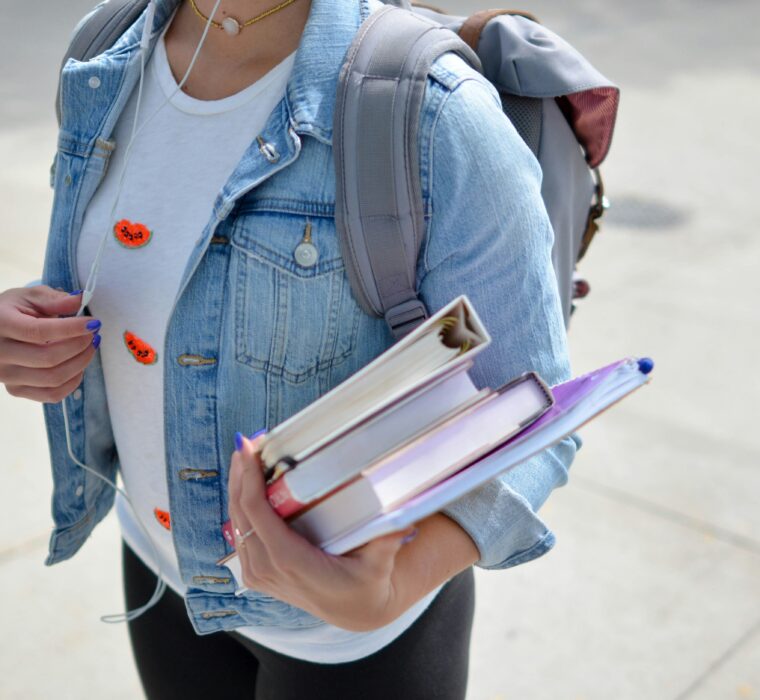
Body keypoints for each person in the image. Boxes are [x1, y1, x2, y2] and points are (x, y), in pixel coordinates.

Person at [0, 0, 578, 697]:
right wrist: (30, 330)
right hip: (162, 570)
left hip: (354, 640)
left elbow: (531, 406)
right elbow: (145, 273)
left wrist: (392, 587)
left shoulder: (434, 112)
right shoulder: (102, 52)